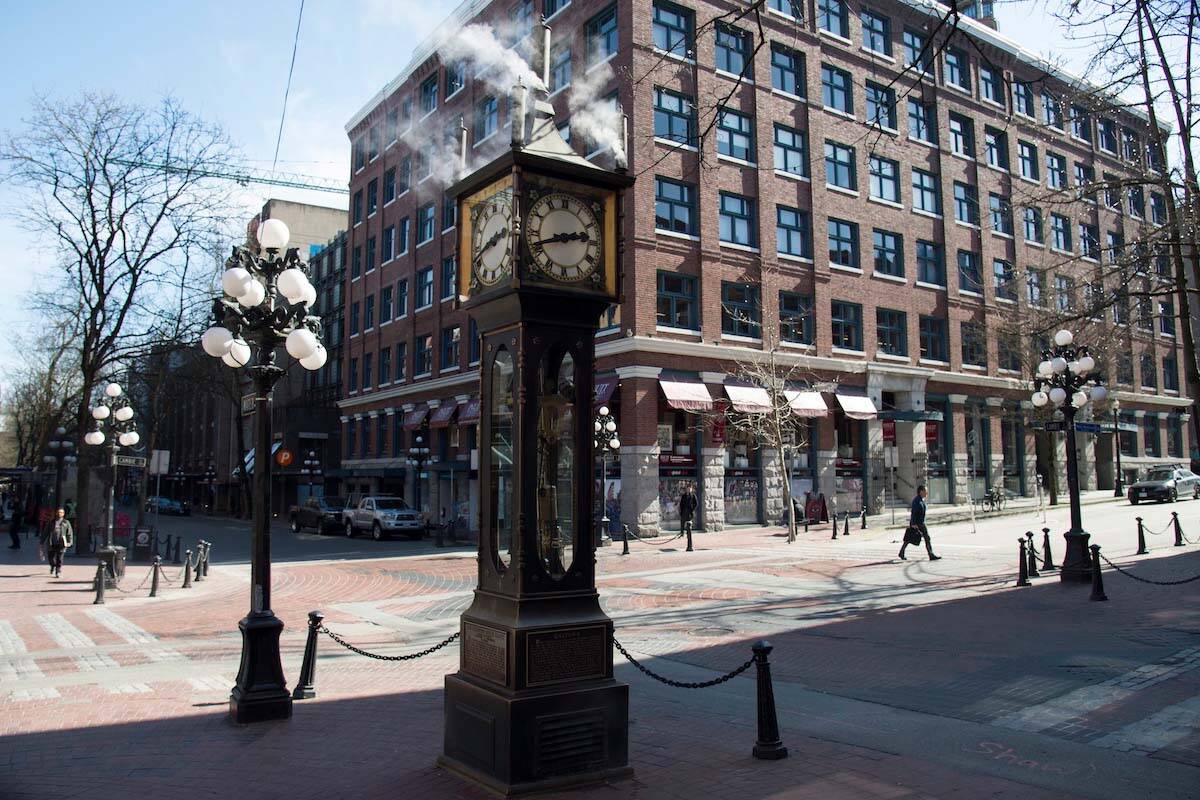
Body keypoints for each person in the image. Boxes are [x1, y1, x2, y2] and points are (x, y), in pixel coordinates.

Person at [899, 484, 941, 561]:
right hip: (918, 523)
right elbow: (914, 512)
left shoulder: (920, 500)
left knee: (911, 538)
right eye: (925, 491)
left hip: (920, 522)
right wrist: (914, 524)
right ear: (921, 491)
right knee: (915, 538)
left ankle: (901, 552)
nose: (927, 493)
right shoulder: (916, 501)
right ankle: (931, 555)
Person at [40, 508, 74, 577]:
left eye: (61, 513)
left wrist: (69, 542)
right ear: (56, 513)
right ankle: (53, 566)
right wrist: (42, 541)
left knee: (60, 558)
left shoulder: (66, 522)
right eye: (58, 512)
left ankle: (58, 570)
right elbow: (45, 532)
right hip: (52, 542)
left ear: (63, 514)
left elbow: (70, 533)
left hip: (61, 543)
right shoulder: (51, 522)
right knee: (51, 558)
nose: (59, 514)